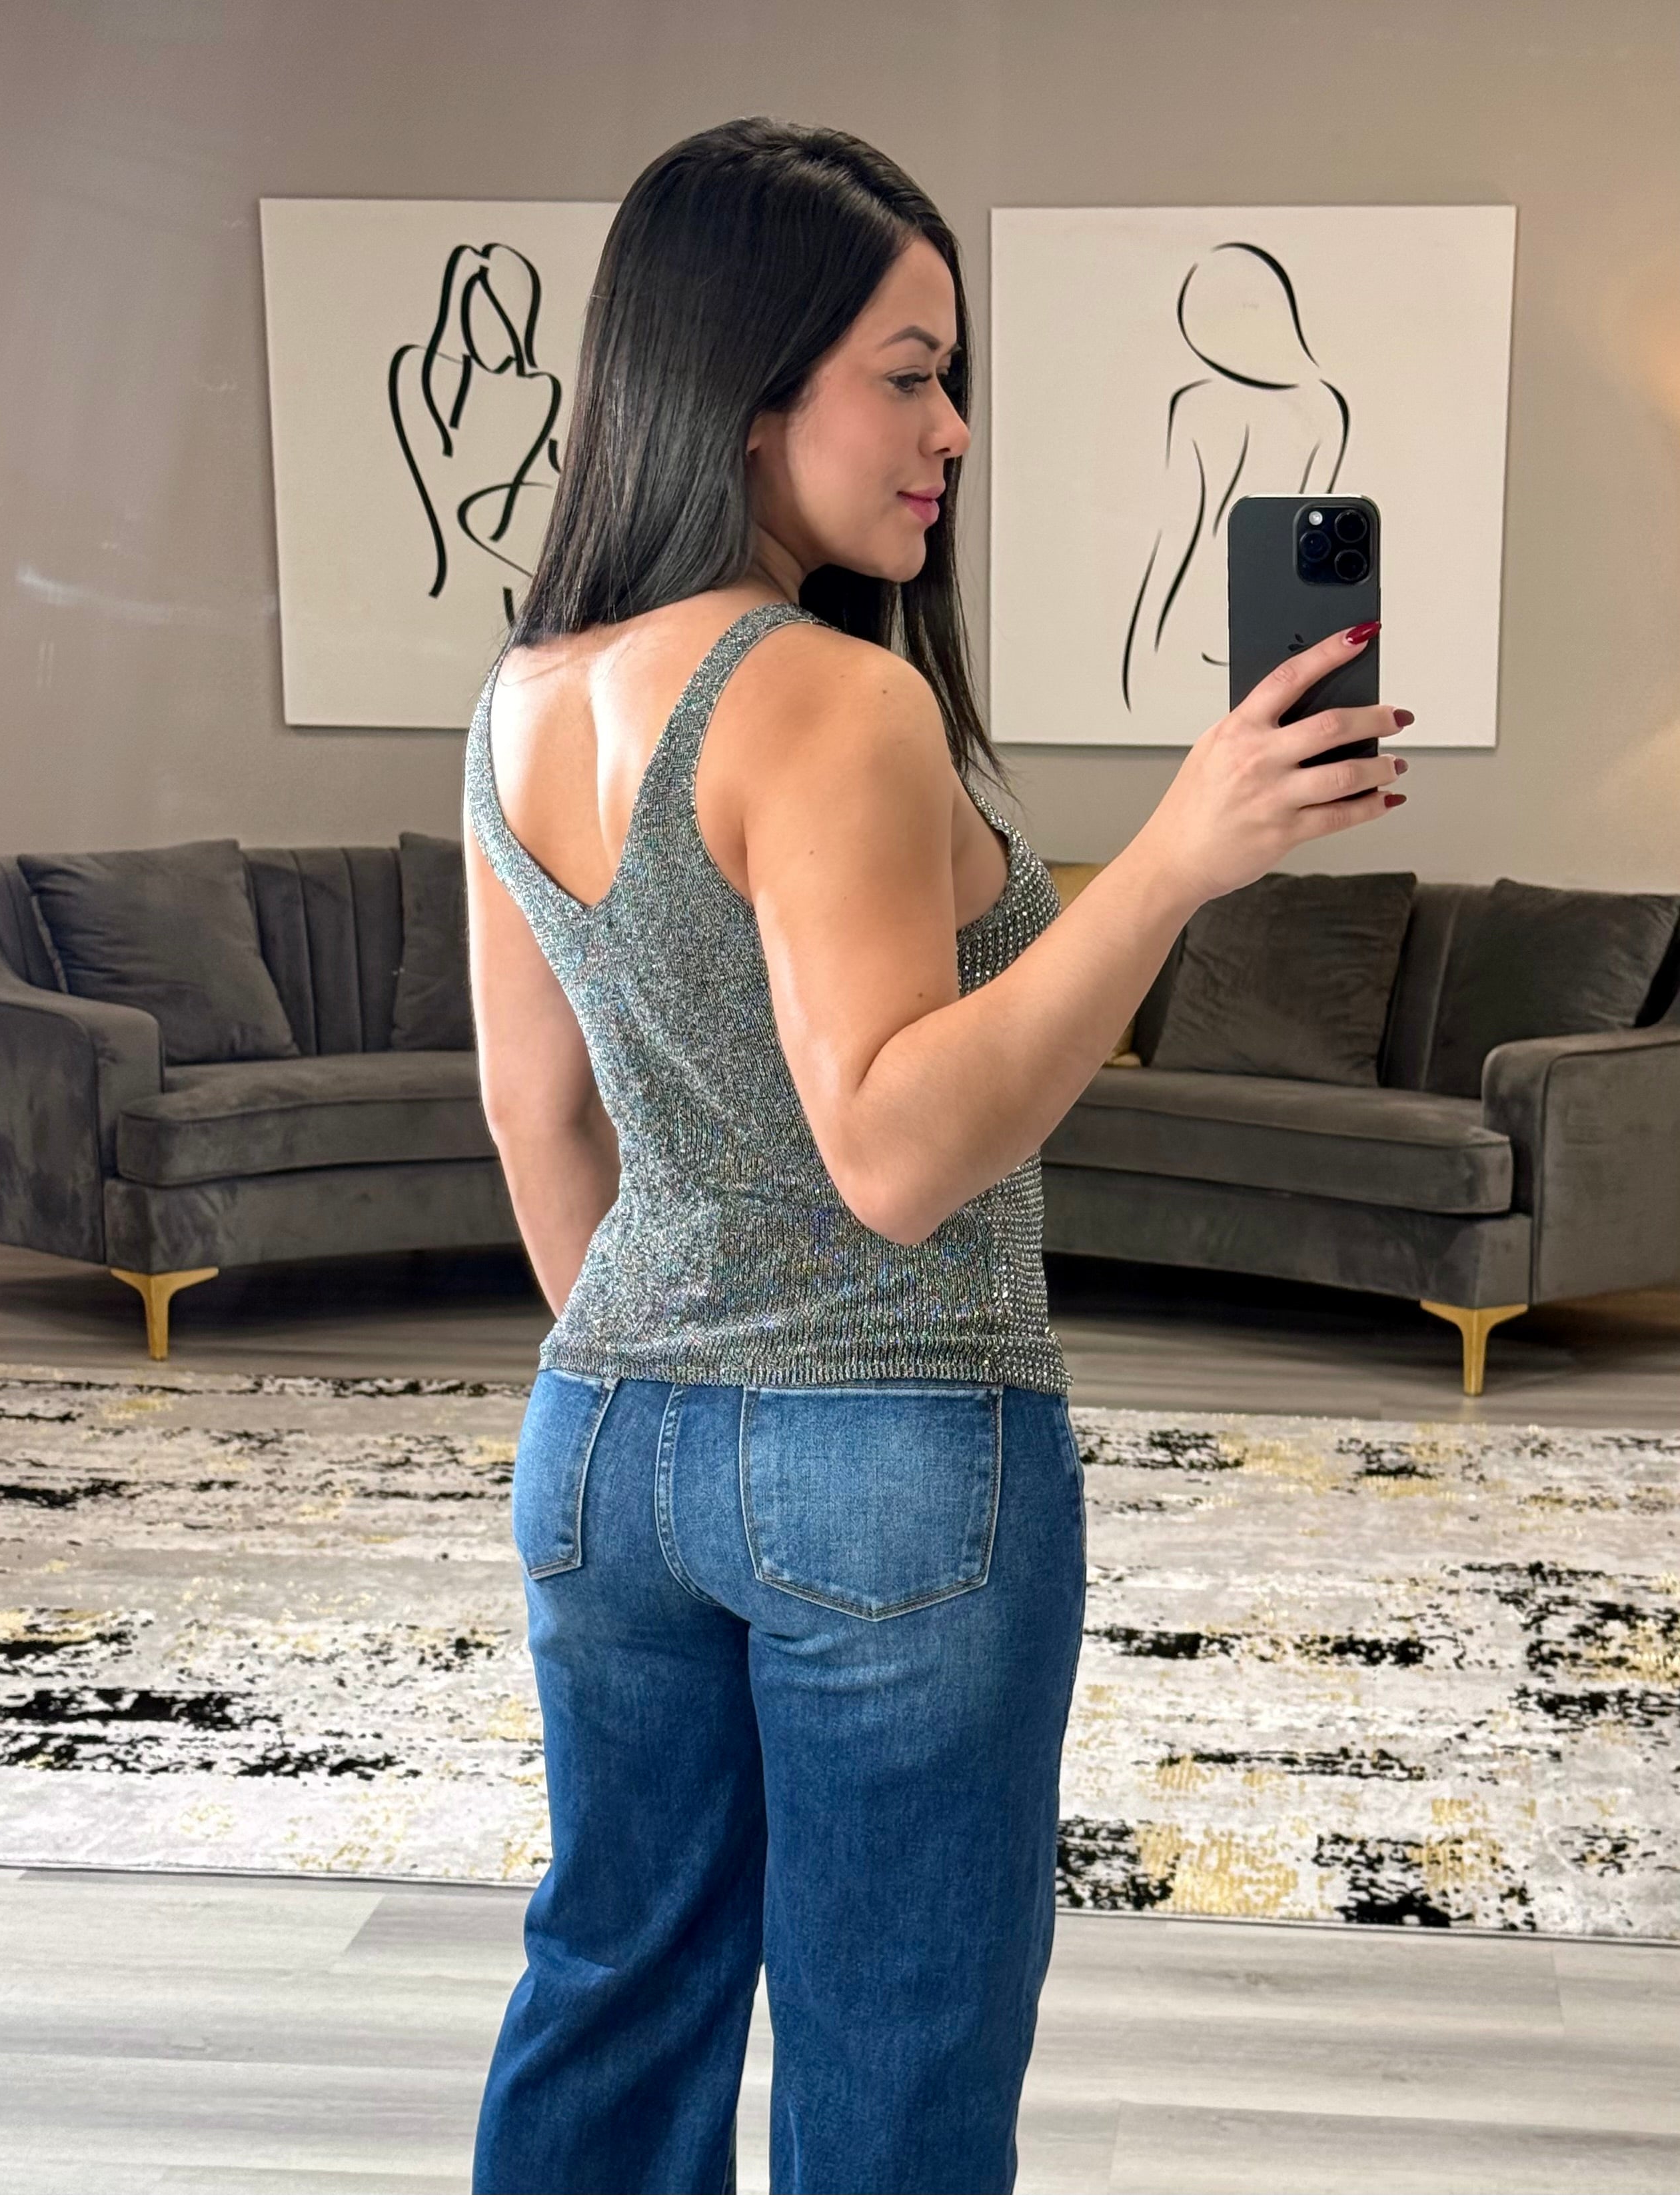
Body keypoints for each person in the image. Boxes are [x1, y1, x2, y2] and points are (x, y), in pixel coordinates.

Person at [463, 117, 1409, 2195]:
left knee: (610, 1987)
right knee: (895, 2044)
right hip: (888, 1456)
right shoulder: (827, 699)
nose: (952, 429)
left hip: (599, 1443)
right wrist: (1173, 858)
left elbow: (536, 1117)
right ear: (746, 386)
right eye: (907, 374)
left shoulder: (523, 694)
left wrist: (674, 1388)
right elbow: (893, 1155)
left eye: (950, 376)